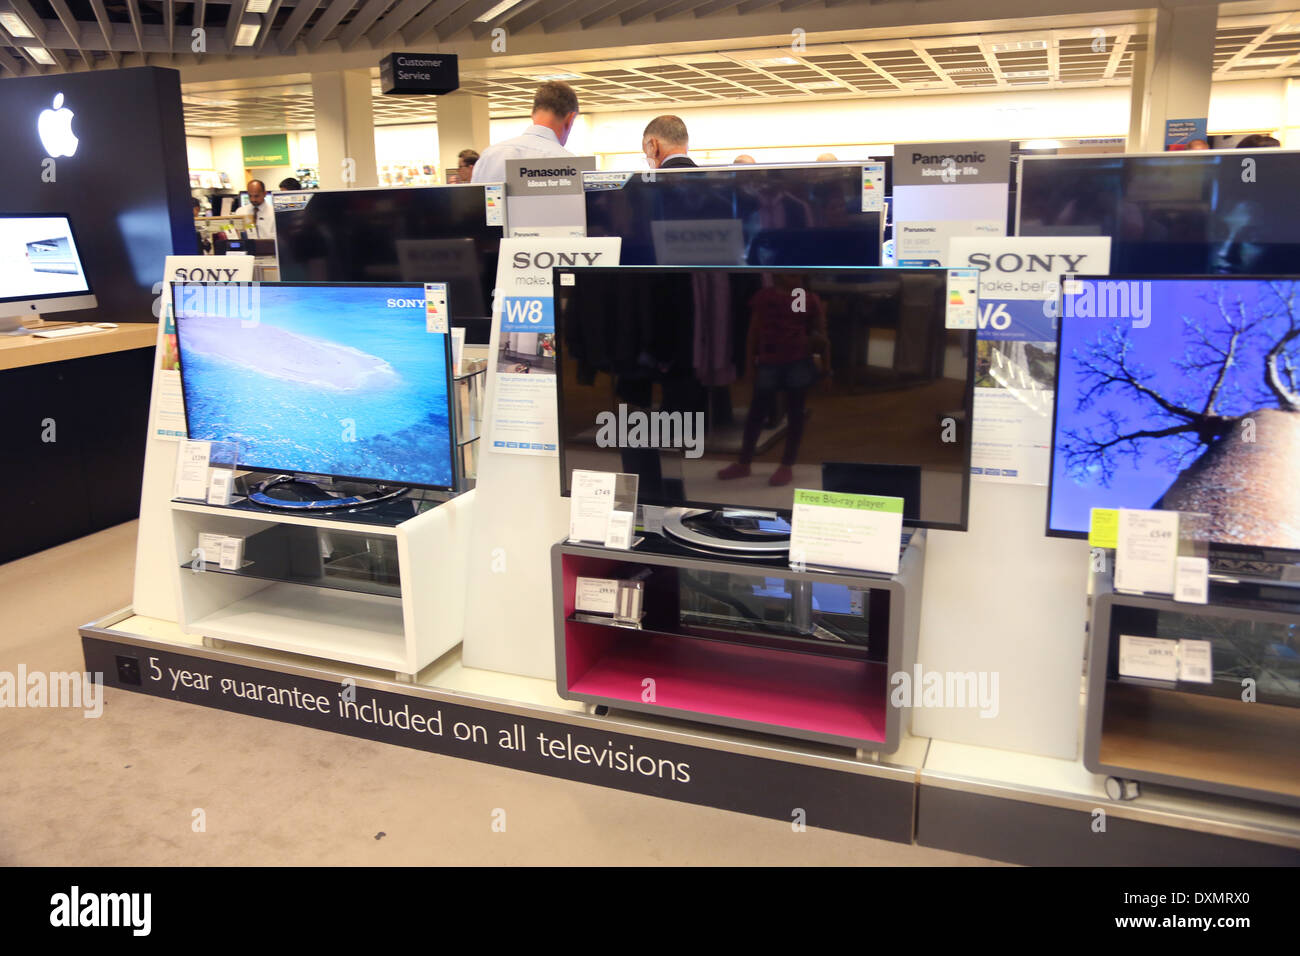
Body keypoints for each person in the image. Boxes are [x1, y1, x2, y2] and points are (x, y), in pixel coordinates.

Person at [471, 82, 579, 183]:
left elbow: (476, 201)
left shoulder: (489, 156)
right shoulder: (570, 165)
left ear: (532, 114)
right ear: (570, 119)